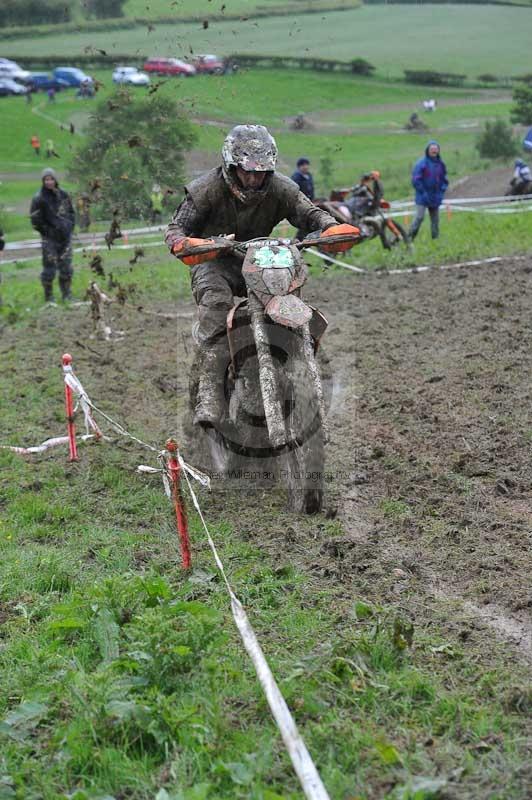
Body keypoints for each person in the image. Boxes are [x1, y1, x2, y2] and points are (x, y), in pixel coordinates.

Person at [165, 124, 359, 427]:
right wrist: (187, 243)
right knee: (216, 303)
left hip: (260, 259)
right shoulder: (206, 190)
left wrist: (330, 227)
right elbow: (176, 228)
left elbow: (309, 212)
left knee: (288, 292)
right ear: (232, 166)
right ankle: (211, 390)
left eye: (262, 172)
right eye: (248, 172)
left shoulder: (281, 187)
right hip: (214, 260)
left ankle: (294, 361)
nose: (255, 179)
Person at [30, 168, 76, 304]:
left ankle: (67, 295)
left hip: (65, 237)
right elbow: (35, 220)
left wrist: (69, 227)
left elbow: (71, 213)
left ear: (55, 180)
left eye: (51, 179)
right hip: (49, 239)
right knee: (49, 268)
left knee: (66, 267)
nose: (49, 182)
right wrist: (47, 232)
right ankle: (49, 297)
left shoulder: (63, 195)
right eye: (46, 179)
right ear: (43, 181)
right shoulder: (39, 198)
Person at [408, 140, 448, 241]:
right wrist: (422, 192)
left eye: (436, 149)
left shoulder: (441, 164)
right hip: (423, 195)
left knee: (435, 220)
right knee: (419, 217)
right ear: (428, 150)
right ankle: (409, 237)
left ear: (438, 150)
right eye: (432, 149)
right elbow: (415, 180)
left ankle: (435, 239)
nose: (434, 151)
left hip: (435, 196)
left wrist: (442, 191)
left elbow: (444, 179)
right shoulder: (421, 164)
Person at [290, 157, 315, 241]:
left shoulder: (309, 176)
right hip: (300, 203)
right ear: (299, 167)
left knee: (307, 222)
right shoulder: (296, 177)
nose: (306, 167)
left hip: (309, 202)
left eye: (307, 165)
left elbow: (312, 189)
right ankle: (300, 240)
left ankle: (302, 240)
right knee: (305, 222)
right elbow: (294, 191)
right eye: (303, 165)